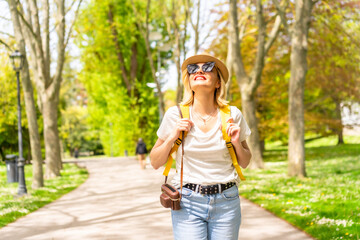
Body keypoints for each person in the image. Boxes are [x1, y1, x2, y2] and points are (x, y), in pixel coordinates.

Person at [150, 53, 252, 240]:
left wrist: (236, 141)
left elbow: (245, 162)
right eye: (192, 69)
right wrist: (172, 136)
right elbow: (155, 162)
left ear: (218, 83)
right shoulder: (175, 114)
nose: (198, 70)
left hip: (227, 202)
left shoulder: (232, 115)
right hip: (188, 202)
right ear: (189, 81)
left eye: (207, 67)